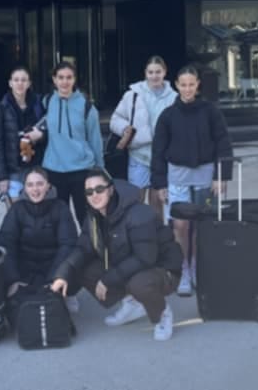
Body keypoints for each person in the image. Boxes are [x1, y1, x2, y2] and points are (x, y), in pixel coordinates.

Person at [50, 169, 181, 341]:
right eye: (89, 192)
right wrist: (62, 275)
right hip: (129, 263)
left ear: (111, 189)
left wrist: (108, 279)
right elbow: (82, 249)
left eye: (99, 189)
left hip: (162, 268)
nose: (94, 195)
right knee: (83, 268)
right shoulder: (94, 216)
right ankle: (133, 303)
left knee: (139, 284)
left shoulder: (138, 213)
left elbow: (145, 258)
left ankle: (162, 313)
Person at [150, 64, 232, 296]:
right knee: (180, 225)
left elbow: (223, 143)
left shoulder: (211, 111)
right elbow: (158, 151)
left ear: (198, 85)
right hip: (177, 177)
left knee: (201, 226)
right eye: (183, 85)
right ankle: (183, 270)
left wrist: (221, 175)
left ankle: (197, 267)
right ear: (177, 85)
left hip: (205, 176)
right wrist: (160, 183)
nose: (187, 89)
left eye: (191, 85)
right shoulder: (167, 116)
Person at [0, 167, 79, 313]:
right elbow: (6, 242)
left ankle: (68, 294)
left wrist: (56, 277)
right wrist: (13, 279)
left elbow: (68, 244)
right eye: (30, 185)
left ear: (48, 186)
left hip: (52, 266)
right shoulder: (17, 209)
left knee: (77, 259)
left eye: (40, 184)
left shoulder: (60, 208)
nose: (35, 189)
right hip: (25, 267)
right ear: (25, 188)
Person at [109, 55, 177, 218]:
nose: (154, 76)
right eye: (151, 72)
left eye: (158, 72)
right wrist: (125, 129)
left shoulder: (174, 97)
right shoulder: (133, 95)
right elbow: (115, 119)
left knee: (158, 201)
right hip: (138, 155)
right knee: (135, 200)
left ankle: (157, 232)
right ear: (145, 73)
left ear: (164, 72)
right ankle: (135, 230)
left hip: (162, 157)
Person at [40, 61, 104, 225]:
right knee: (57, 219)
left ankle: (88, 243)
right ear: (54, 79)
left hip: (81, 169)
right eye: (60, 77)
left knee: (86, 218)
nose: (64, 82)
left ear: (74, 79)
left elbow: (95, 140)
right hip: (54, 169)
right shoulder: (47, 102)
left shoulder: (87, 107)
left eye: (69, 77)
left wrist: (100, 171)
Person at [0, 66, 45, 203]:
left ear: (29, 83)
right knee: (15, 211)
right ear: (10, 83)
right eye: (16, 80)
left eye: (23, 80)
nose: (20, 83)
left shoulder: (39, 105)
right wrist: (1, 177)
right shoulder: (1, 107)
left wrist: (40, 136)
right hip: (13, 169)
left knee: (36, 210)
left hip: (35, 166)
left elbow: (48, 132)